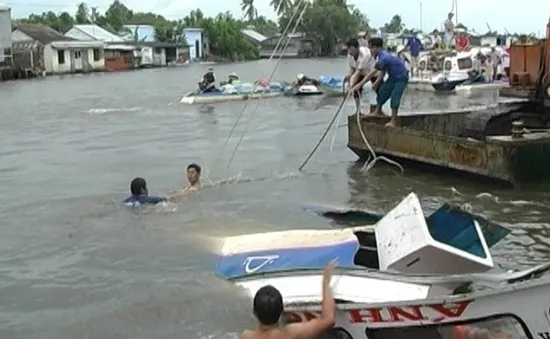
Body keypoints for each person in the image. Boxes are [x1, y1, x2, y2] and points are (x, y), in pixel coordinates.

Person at [238, 262, 335, 339]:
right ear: (282, 310)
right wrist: (325, 282)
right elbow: (328, 319)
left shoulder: (245, 336)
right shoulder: (292, 334)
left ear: (254, 313)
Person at [364, 37, 409, 128]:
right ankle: (377, 111)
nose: (370, 51)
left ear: (378, 48)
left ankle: (393, 122)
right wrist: (376, 82)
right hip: (393, 77)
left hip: (401, 77)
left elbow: (371, 74)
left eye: (371, 48)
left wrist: (359, 85)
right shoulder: (381, 56)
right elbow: (383, 72)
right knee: (382, 92)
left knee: (394, 98)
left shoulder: (384, 57)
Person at [345, 38, 378, 115]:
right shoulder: (350, 55)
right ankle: (358, 111)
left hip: (371, 71)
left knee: (378, 89)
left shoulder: (364, 54)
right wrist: (349, 78)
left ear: (357, 48)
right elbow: (352, 68)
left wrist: (351, 86)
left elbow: (357, 72)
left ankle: (379, 109)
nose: (350, 51)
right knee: (356, 91)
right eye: (348, 49)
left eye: (352, 49)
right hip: (361, 72)